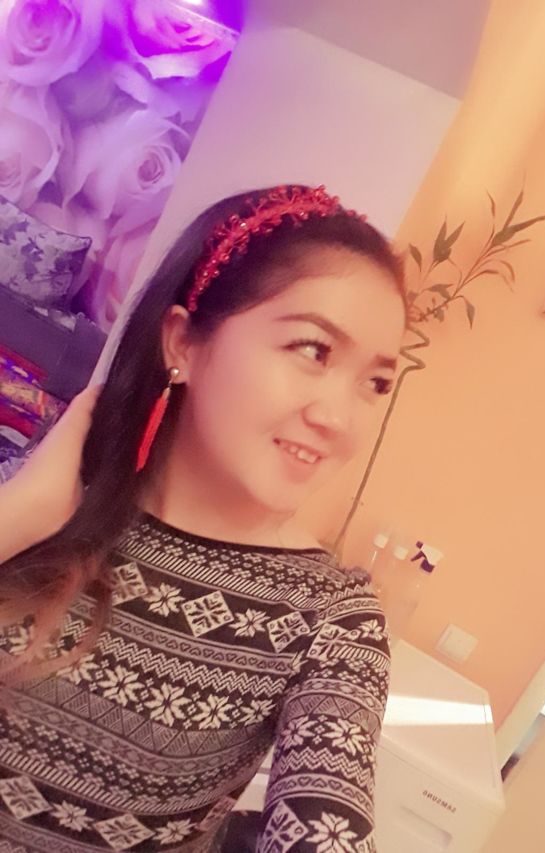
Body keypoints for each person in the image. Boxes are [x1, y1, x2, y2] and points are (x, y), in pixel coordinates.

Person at [0, 184, 407, 852]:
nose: (339, 418)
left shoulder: (330, 619)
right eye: (313, 350)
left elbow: (329, 819)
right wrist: (18, 517)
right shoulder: (40, 493)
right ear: (183, 343)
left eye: (376, 382)